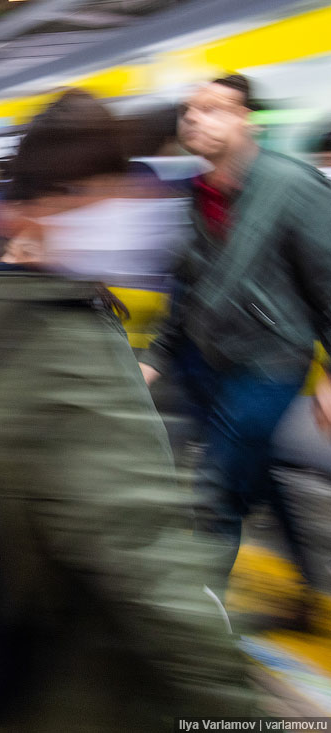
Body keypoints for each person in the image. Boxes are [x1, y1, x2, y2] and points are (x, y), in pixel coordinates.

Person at [0, 90, 255, 731]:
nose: (132, 210)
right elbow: (143, 558)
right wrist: (235, 711)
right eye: (103, 191)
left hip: (25, 679)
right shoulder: (65, 349)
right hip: (94, 690)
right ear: (32, 211)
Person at [138, 75, 331, 619]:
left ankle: (199, 615)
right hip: (213, 363)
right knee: (255, 471)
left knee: (218, 484)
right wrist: (155, 358)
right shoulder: (200, 194)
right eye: (189, 111)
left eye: (214, 108)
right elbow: (187, 289)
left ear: (248, 119)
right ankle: (306, 586)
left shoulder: (290, 186)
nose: (195, 119)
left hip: (272, 360)